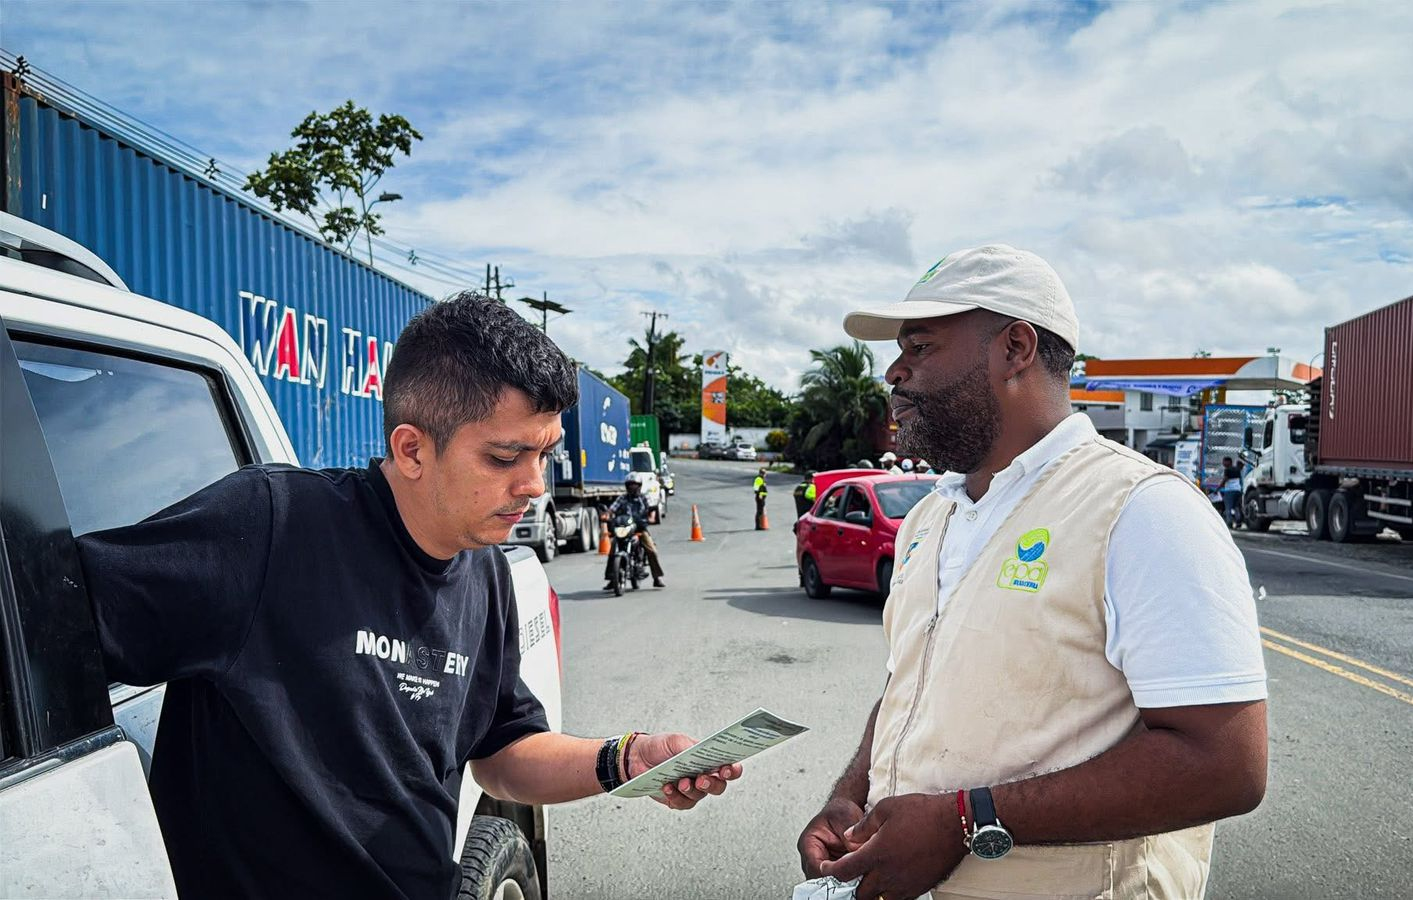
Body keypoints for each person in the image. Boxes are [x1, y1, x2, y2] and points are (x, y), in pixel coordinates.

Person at [79, 294, 737, 899]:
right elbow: (50, 630)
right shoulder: (271, 528)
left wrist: (625, 759)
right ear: (412, 449)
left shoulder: (486, 573)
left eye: (545, 455)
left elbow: (503, 753)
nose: (535, 485)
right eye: (507, 458)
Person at [797, 245, 1266, 900]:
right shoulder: (931, 518)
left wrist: (965, 822)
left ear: (1016, 348)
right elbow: (912, 683)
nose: (894, 372)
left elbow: (1226, 766)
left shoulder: (1142, 511)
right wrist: (850, 798)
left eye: (921, 347)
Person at [604, 479, 666, 589]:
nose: (632, 487)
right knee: (613, 548)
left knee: (651, 550)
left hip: (639, 529)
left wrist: (651, 517)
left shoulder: (644, 498)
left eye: (634, 485)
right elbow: (612, 509)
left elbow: (651, 509)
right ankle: (612, 578)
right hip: (624, 529)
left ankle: (657, 577)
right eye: (630, 485)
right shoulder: (622, 498)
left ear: (639, 486)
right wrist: (607, 515)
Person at [1220, 455, 1245, 529]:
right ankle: (1238, 522)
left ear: (1229, 462)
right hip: (1238, 490)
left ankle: (1229, 523)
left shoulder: (1227, 470)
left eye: (1224, 461)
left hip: (1229, 491)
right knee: (1237, 507)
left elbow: (1225, 479)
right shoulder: (1237, 469)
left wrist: (1217, 489)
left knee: (1228, 508)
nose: (1223, 463)